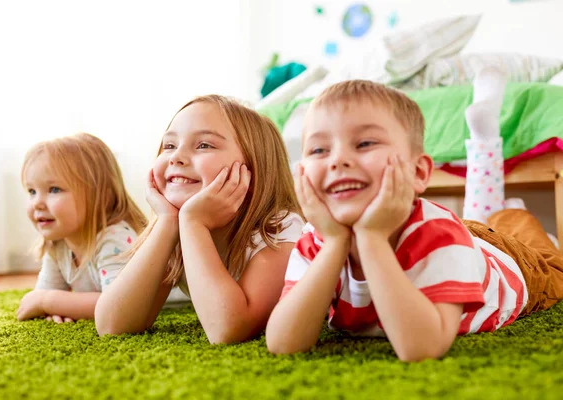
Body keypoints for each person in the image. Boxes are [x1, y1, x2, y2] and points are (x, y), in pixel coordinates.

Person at [266, 72, 563, 361]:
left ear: (419, 172)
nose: (338, 160)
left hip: (515, 264)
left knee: (552, 263)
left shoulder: (439, 235)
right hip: (465, 242)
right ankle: (501, 211)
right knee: (487, 219)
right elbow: (283, 343)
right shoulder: (316, 240)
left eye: (365, 143)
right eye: (319, 149)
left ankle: (514, 214)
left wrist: (371, 238)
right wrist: (333, 244)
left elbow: (422, 348)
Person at [95, 95, 304, 343]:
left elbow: (227, 329)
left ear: (253, 167)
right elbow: (112, 324)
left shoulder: (281, 228)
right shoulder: (175, 224)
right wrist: (167, 222)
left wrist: (194, 224)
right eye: (169, 145)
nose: (176, 157)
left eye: (204, 145)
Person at [17, 133, 147, 323]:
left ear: (102, 197)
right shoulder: (59, 243)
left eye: (54, 189)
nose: (37, 203)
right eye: (32, 191)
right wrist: (52, 306)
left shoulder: (115, 238)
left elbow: (119, 304)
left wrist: (49, 302)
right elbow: (42, 294)